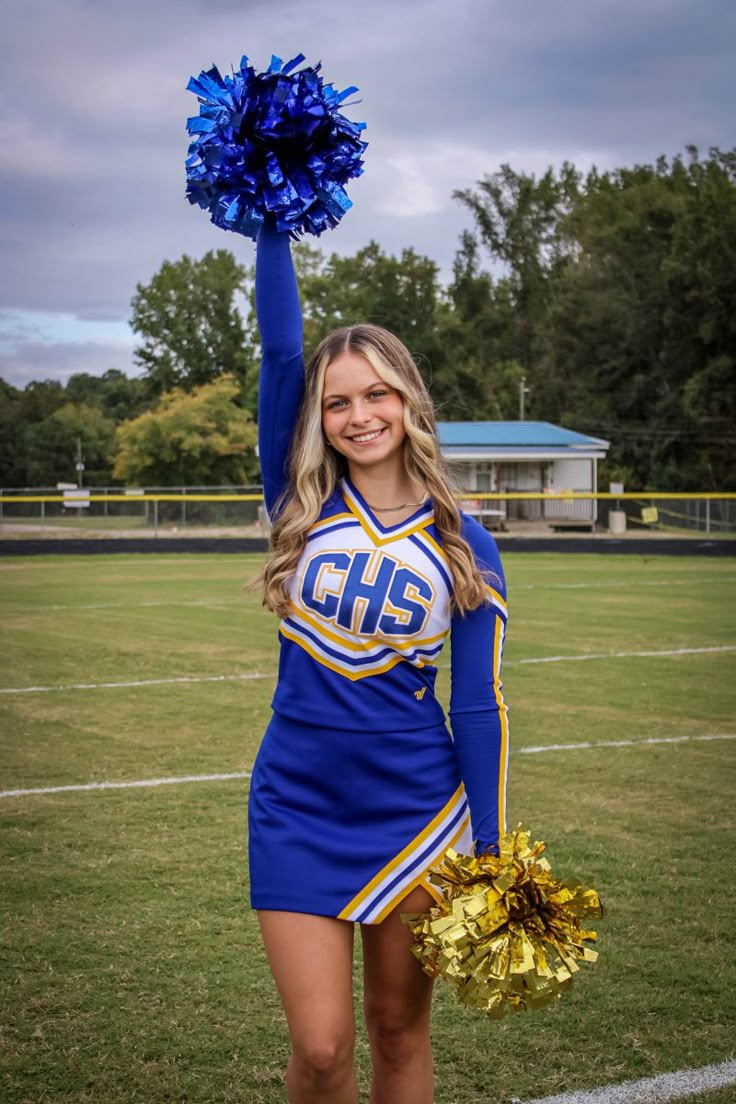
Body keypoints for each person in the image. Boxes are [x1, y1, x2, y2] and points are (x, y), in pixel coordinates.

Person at [249, 221, 509, 1104]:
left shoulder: (464, 543)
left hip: (417, 810)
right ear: (317, 418)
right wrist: (272, 224)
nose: (359, 416)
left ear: (410, 402)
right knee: (321, 1048)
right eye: (338, 402)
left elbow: (477, 705)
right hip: (297, 800)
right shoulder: (297, 496)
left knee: (399, 1033)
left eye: (378, 395)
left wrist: (491, 848)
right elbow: (281, 347)